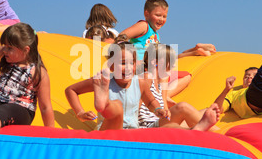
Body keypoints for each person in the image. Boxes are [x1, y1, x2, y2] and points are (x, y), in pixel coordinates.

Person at [65, 36, 219, 131]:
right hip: (109, 131)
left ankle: (195, 130)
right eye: (122, 63)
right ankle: (103, 103)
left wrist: (158, 109)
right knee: (117, 108)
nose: (128, 68)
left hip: (135, 131)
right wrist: (80, 113)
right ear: (111, 66)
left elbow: (150, 101)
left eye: (131, 63)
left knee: (171, 127)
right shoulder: (101, 80)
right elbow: (71, 90)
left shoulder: (140, 82)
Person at [138, 43, 219, 131]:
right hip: (148, 127)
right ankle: (221, 134)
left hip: (160, 123)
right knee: (183, 107)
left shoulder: (159, 85)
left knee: (206, 112)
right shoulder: (146, 77)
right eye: (170, 61)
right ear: (154, 62)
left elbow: (165, 109)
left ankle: (194, 129)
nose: (173, 65)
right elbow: (135, 106)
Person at [119, 0, 216, 61]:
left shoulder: (155, 35)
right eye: (158, 15)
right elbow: (122, 36)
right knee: (171, 58)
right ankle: (195, 50)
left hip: (151, 65)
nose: (161, 19)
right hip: (140, 65)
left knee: (171, 57)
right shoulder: (144, 26)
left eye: (164, 16)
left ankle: (196, 50)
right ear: (146, 14)